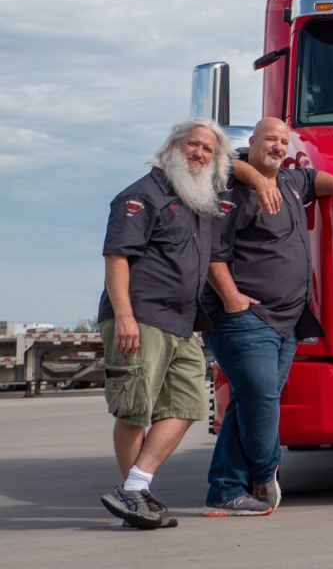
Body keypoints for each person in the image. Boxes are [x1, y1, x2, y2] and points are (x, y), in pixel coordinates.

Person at [202, 117, 333, 516]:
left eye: (283, 141)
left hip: (287, 321)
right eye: (270, 139)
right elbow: (210, 251)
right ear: (251, 142)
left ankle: (225, 488)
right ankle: (265, 469)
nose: (277, 146)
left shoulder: (291, 182)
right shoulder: (229, 189)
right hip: (246, 319)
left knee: (247, 401)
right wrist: (232, 297)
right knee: (261, 397)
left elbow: (317, 178)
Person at [97, 119, 233, 529]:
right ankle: (134, 494)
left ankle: (135, 488)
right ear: (173, 146)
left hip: (181, 324)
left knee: (188, 404)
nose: (200, 154)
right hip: (141, 318)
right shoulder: (141, 196)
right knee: (136, 409)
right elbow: (117, 257)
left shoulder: (198, 202)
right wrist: (125, 315)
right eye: (193, 145)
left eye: (209, 150)